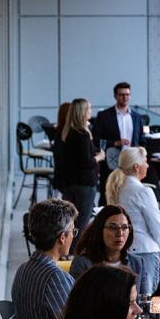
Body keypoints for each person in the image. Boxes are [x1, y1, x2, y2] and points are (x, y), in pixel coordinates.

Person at [105, 147, 160, 298]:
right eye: (145, 162)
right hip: (145, 250)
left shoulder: (116, 188)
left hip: (124, 249)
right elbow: (156, 226)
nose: (148, 165)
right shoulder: (143, 191)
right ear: (136, 167)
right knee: (146, 298)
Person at [53, 98, 102, 234]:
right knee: (81, 221)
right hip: (84, 184)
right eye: (89, 109)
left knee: (70, 220)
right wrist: (99, 157)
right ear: (83, 112)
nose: (91, 112)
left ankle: (68, 251)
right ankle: (73, 251)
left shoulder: (67, 132)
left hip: (70, 182)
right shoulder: (82, 133)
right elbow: (86, 161)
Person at [69, 205, 133, 281]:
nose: (120, 233)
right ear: (99, 230)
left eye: (125, 227)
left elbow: (143, 293)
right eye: (112, 227)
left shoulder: (137, 263)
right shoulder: (83, 263)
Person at [92, 82, 144, 152]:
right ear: (115, 96)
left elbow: (141, 140)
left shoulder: (137, 117)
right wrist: (115, 143)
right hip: (111, 159)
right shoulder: (104, 116)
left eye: (127, 94)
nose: (125, 97)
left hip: (133, 160)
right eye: (121, 95)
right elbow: (96, 140)